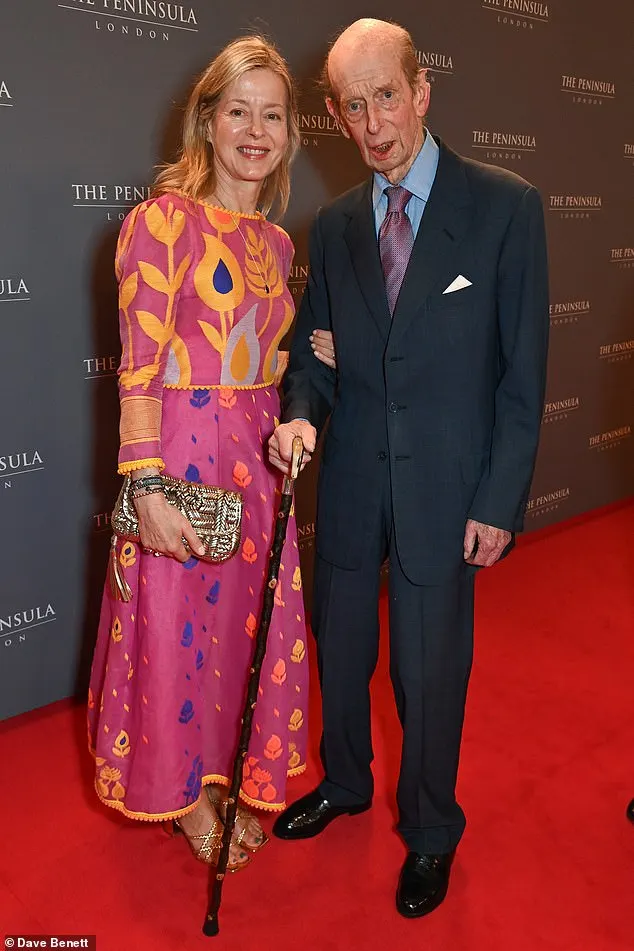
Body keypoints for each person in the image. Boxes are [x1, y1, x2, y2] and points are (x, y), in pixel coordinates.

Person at [269, 18, 549, 917]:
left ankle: (431, 829)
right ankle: (346, 780)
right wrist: (304, 413)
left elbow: (521, 374)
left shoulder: (506, 207)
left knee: (429, 675)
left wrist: (499, 498)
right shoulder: (337, 224)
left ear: (422, 92)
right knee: (341, 654)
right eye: (354, 106)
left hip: (445, 487)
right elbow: (313, 364)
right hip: (349, 478)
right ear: (337, 116)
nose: (374, 122)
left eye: (386, 95)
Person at [87, 35, 330, 871]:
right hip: (182, 465)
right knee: (175, 630)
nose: (255, 131)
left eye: (272, 115)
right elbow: (139, 366)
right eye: (239, 111)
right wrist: (146, 483)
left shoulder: (279, 246)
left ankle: (220, 774)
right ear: (207, 121)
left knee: (237, 632)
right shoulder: (162, 223)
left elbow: (275, 365)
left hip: (257, 471)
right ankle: (187, 800)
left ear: (289, 132)